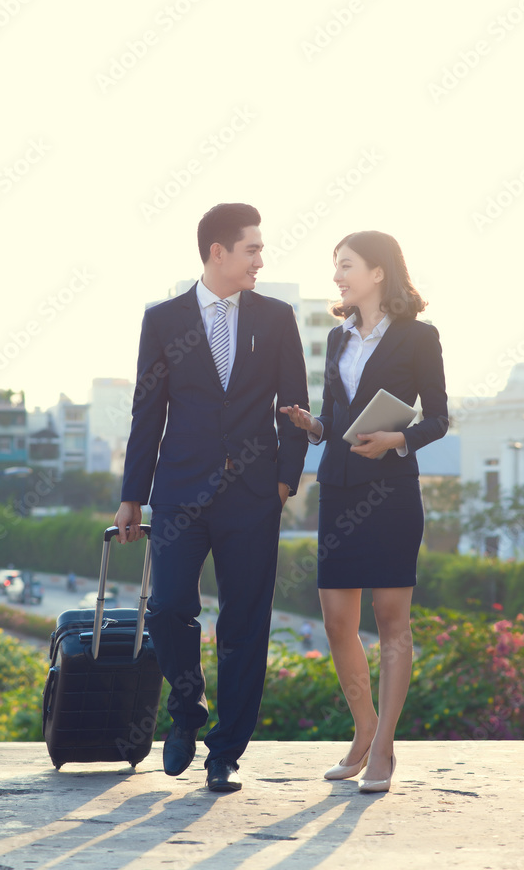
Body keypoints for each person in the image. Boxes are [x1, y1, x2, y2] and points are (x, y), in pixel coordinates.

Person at [114, 203, 309, 792]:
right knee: (170, 607)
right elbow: (148, 411)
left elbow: (295, 406)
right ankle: (187, 705)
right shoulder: (164, 319)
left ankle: (225, 751)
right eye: (252, 248)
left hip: (253, 495)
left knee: (245, 624)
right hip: (179, 491)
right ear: (217, 252)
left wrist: (284, 481)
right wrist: (133, 495)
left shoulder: (277, 318)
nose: (260, 259)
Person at [280, 230, 448, 793]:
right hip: (340, 485)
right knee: (336, 620)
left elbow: (438, 418)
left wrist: (396, 440)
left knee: (392, 621)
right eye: (336, 266)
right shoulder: (336, 338)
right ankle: (363, 728)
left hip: (392, 490)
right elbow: (337, 419)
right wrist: (314, 426)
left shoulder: (420, 338)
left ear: (378, 273)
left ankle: (383, 749)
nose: (337, 276)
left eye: (346, 265)